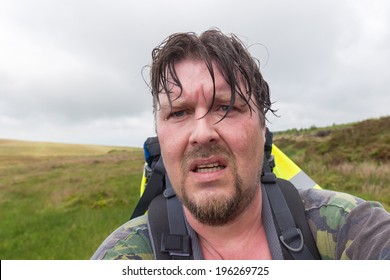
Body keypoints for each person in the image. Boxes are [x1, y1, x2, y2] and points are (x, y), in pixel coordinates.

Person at [92, 29, 390, 260]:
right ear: (160, 134)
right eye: (179, 112)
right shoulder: (126, 254)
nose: (202, 133)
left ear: (263, 129)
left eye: (226, 106)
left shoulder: (345, 226)